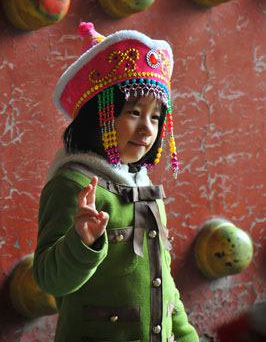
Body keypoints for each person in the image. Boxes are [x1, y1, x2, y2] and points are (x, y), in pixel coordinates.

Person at [33, 22, 199, 342]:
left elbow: (162, 280)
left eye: (155, 116)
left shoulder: (146, 188)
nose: (148, 129)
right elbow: (48, 280)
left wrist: (186, 335)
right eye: (134, 112)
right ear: (100, 115)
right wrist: (81, 243)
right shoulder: (73, 184)